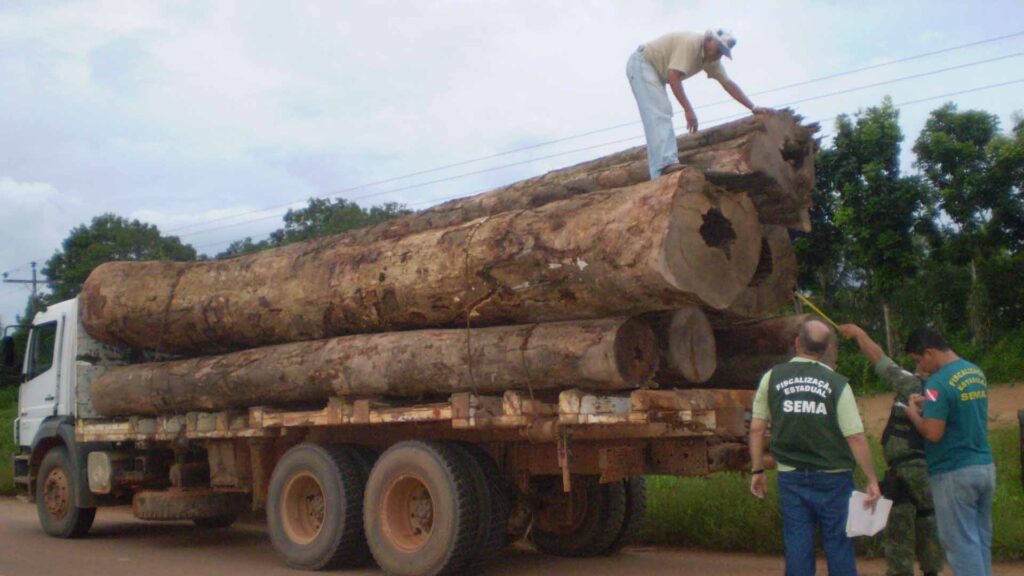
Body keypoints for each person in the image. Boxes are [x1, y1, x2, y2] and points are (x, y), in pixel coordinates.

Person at [749, 318, 881, 576]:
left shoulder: (771, 377)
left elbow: (756, 428)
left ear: (797, 343)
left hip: (791, 476)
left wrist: (757, 470)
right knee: (839, 544)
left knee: (797, 543)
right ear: (826, 349)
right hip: (834, 478)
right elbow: (855, 437)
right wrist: (871, 478)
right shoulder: (837, 383)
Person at [839, 324, 943, 576]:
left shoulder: (911, 385)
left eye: (917, 360)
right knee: (929, 527)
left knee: (899, 536)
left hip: (905, 473)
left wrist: (860, 335)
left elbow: (879, 359)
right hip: (933, 473)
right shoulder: (944, 391)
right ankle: (932, 570)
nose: (916, 365)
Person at [902, 327, 994, 576]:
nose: (920, 368)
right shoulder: (975, 371)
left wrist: (913, 415)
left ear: (930, 352)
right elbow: (959, 409)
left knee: (961, 546)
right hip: (984, 466)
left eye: (919, 360)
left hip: (953, 471)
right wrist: (932, 405)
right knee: (979, 541)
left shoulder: (937, 383)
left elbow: (933, 433)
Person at [626, 28, 770, 180]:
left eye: (722, 53)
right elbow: (673, 76)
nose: (718, 56)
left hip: (653, 69)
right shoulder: (692, 44)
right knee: (659, 112)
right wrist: (689, 111)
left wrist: (753, 107)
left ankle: (660, 174)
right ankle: (665, 166)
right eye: (718, 50)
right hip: (643, 63)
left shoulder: (711, 59)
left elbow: (728, 84)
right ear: (709, 40)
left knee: (660, 112)